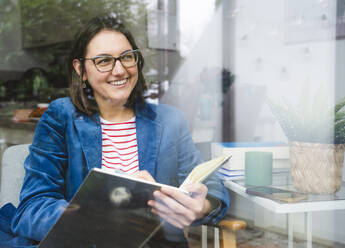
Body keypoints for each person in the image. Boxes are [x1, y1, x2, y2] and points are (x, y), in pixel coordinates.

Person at [9, 16, 230, 246]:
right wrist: (105, 213)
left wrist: (203, 206)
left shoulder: (170, 120)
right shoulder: (61, 116)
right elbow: (33, 207)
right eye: (104, 61)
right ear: (81, 69)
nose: (119, 70)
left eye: (126, 57)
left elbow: (212, 187)